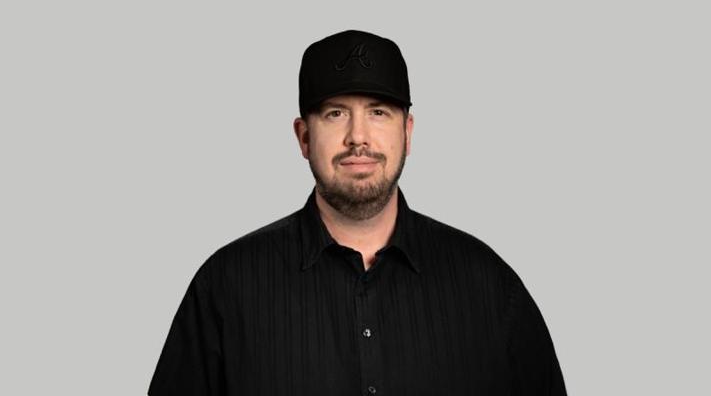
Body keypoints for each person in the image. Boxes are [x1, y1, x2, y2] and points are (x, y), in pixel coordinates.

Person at [148, 29, 567, 396]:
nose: (358, 137)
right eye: (335, 113)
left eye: (378, 112)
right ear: (304, 137)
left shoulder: (489, 286)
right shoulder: (225, 287)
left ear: (407, 132)